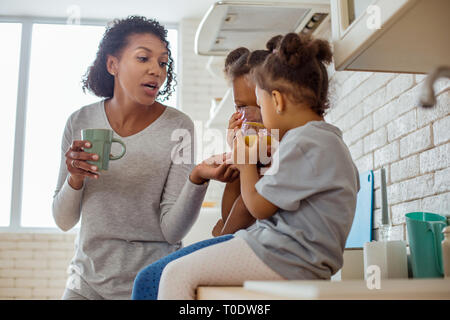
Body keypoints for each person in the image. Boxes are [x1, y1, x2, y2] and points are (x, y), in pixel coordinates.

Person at [132, 32, 360, 300]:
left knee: (175, 274)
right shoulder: (327, 141)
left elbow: (258, 208)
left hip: (283, 255)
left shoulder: (301, 142)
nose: (256, 114)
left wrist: (247, 164)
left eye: (260, 104)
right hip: (299, 258)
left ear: (278, 101)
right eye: (241, 106)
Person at [52, 16, 238, 300]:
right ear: (112, 64)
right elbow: (63, 220)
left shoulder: (179, 127)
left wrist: (196, 178)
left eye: (163, 63)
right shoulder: (80, 121)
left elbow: (172, 230)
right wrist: (75, 179)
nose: (156, 71)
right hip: (85, 284)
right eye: (143, 58)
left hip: (152, 284)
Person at [211, 42, 279, 237]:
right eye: (241, 107)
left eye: (258, 105)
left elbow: (247, 206)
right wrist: (235, 148)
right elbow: (232, 204)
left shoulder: (282, 142)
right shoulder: (253, 142)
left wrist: (223, 235)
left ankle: (221, 240)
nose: (251, 116)